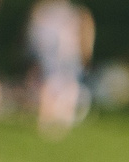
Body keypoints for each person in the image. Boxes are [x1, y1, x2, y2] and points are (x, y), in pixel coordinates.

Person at [27, 0, 94, 138]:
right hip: (59, 55)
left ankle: (58, 117)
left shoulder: (64, 12)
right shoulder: (58, 12)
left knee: (62, 85)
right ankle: (49, 117)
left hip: (66, 55)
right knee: (53, 84)